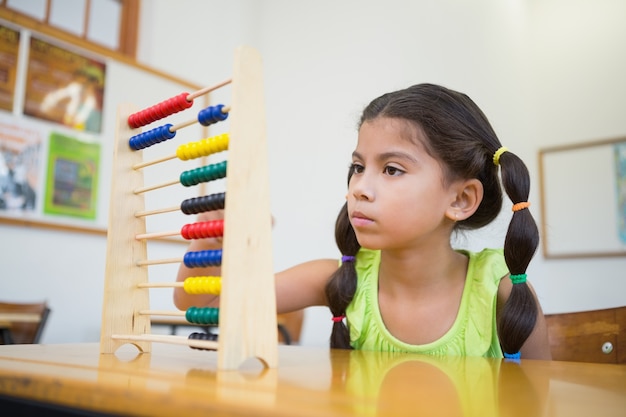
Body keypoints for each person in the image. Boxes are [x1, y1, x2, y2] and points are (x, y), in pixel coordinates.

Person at [174, 83, 552, 360]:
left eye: (391, 169)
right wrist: (211, 241)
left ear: (460, 199)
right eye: (358, 167)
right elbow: (207, 301)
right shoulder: (338, 280)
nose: (359, 188)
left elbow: (539, 402)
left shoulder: (503, 291)